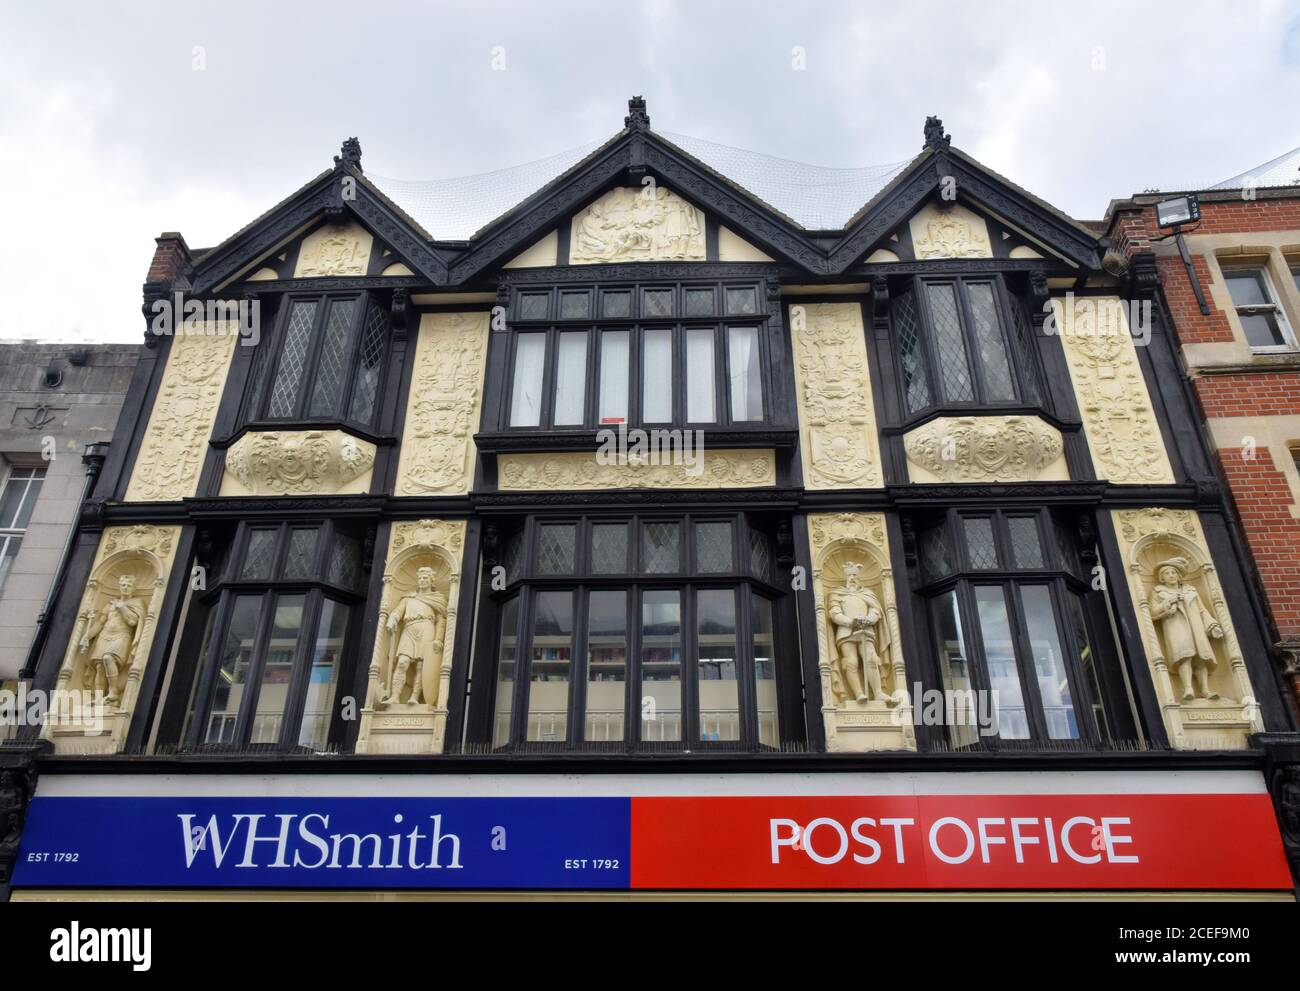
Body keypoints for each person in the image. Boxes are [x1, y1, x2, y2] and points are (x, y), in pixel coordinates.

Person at [1148, 557, 1224, 701]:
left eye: (1173, 573)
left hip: (1196, 627)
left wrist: (1212, 625)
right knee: (1185, 656)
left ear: (1178, 575)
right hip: (1176, 627)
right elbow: (1152, 612)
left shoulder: (1190, 590)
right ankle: (1188, 688)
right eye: (1167, 573)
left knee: (1202, 657)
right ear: (1162, 578)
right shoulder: (1158, 592)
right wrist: (1167, 603)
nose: (1171, 575)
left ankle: (1205, 690)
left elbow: (1202, 610)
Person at [383, 566, 448, 706]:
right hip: (409, 629)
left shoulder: (437, 599)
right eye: (420, 578)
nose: (422, 580)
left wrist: (438, 638)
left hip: (427, 628)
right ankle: (395, 696)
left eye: (425, 578)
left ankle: (414, 697)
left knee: (421, 666)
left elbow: (441, 620)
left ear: (431, 581)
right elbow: (398, 611)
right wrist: (392, 618)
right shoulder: (409, 597)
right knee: (402, 663)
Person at [828, 562, 891, 704]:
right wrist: (850, 621)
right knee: (851, 661)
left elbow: (875, 610)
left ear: (859, 577)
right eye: (849, 575)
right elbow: (834, 613)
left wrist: (869, 619)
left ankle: (878, 693)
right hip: (846, 632)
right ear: (846, 577)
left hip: (866, 630)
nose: (852, 578)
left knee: (871, 659)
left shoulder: (868, 594)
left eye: (854, 575)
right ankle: (859, 694)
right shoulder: (837, 594)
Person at [78, 573, 144, 706]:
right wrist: (87, 636)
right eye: (123, 585)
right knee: (100, 666)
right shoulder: (111, 603)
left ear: (134, 588)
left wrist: (123, 607)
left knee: (108, 658)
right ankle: (98, 697)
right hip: (104, 635)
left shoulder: (136, 603)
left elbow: (133, 621)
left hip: (122, 635)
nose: (125, 587)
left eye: (128, 585)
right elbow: (101, 623)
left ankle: (113, 693)